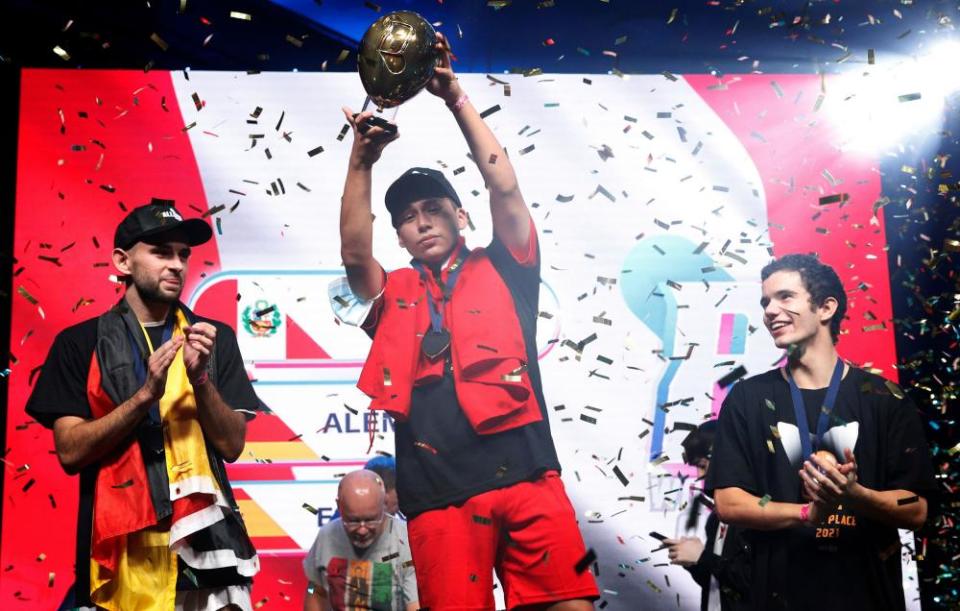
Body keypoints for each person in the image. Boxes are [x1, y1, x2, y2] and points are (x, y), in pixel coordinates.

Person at [330, 32, 599, 610]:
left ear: (462, 215)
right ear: (398, 235)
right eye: (407, 218)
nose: (421, 222)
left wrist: (455, 98)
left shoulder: (509, 265)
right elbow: (355, 255)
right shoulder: (392, 291)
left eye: (433, 209)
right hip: (439, 495)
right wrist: (362, 159)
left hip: (528, 476)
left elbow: (505, 184)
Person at [25, 200, 260, 611]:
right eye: (161, 252)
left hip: (205, 546)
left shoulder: (211, 337)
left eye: (183, 255)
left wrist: (200, 379)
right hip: (121, 548)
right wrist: (145, 396)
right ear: (123, 261)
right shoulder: (79, 343)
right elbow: (70, 451)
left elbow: (232, 445)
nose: (177, 265)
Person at [707, 253, 936, 610]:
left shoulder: (884, 398)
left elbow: (916, 509)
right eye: (765, 301)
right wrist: (805, 514)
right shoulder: (747, 398)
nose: (769, 310)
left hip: (866, 596)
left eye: (785, 297)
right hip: (775, 597)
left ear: (826, 308)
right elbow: (729, 502)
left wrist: (856, 495)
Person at [302, 470, 417, 611]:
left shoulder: (405, 540)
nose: (362, 530)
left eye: (371, 520)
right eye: (353, 521)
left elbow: (415, 602)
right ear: (339, 507)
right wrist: (312, 592)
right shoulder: (326, 536)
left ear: (384, 505)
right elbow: (314, 589)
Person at [665, 421, 750, 611]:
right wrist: (692, 561)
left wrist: (703, 557)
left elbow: (753, 583)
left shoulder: (755, 516)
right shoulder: (716, 520)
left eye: (703, 466)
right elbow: (715, 584)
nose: (700, 477)